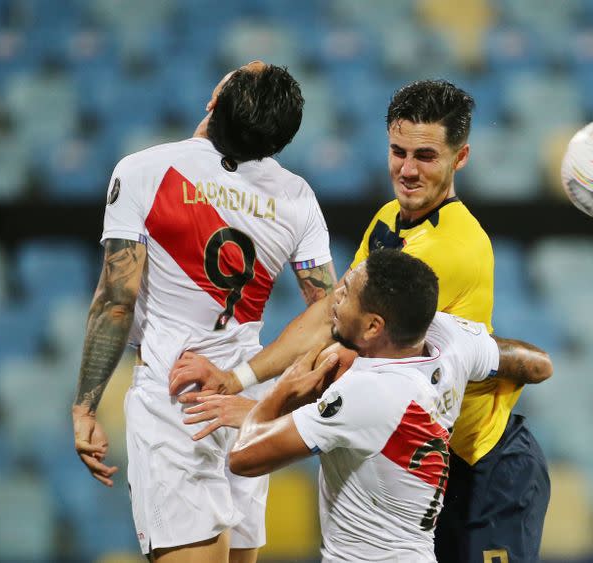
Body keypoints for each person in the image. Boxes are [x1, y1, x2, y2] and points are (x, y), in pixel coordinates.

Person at [171, 79, 552, 562]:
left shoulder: (452, 250)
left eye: (426, 156)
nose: (407, 170)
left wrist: (252, 396)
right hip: (426, 465)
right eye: (398, 151)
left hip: (485, 465)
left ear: (461, 158)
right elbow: (334, 310)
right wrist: (238, 378)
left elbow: (337, 337)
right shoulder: (390, 217)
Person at [71, 60, 337, 563]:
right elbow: (327, 314)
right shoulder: (298, 198)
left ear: (215, 101)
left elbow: (115, 301)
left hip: (176, 404)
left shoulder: (144, 171)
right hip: (242, 404)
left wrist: (84, 406)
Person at [224, 249, 552, 562]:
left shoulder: (368, 393)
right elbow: (538, 365)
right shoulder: (447, 339)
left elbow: (243, 457)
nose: (335, 297)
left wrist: (282, 390)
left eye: (347, 293)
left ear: (373, 326)